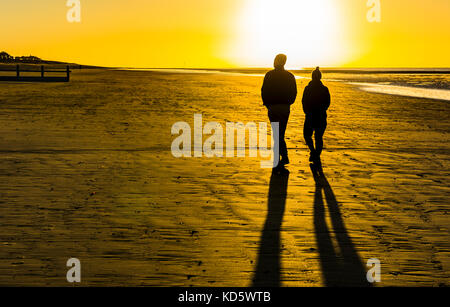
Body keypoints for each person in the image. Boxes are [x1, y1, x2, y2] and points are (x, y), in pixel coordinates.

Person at [261, 54, 297, 166]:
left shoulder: (269, 75)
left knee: (277, 133)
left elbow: (264, 91)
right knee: (280, 133)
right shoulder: (290, 76)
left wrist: (268, 104)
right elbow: (294, 92)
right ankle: (281, 156)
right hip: (284, 107)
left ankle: (282, 156)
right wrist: (288, 103)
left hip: (274, 107)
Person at [302, 67, 330, 164]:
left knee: (307, 135)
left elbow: (304, 101)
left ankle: (314, 152)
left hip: (310, 115)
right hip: (321, 115)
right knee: (318, 137)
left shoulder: (307, 88)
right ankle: (316, 154)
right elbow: (327, 103)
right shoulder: (324, 89)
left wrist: (306, 111)